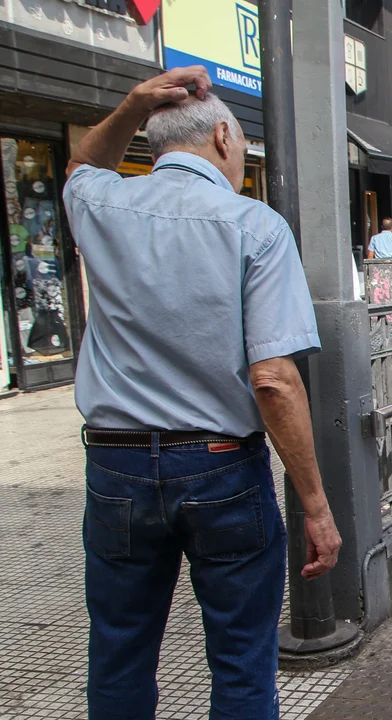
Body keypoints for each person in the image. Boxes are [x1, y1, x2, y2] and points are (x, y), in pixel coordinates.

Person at [61, 67, 342, 717]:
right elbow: (272, 378)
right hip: (220, 466)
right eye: (241, 147)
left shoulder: (101, 202)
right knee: (242, 661)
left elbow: (81, 161)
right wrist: (315, 506)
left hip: (116, 465)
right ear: (222, 135)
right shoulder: (254, 226)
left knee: (119, 651)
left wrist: (133, 103)